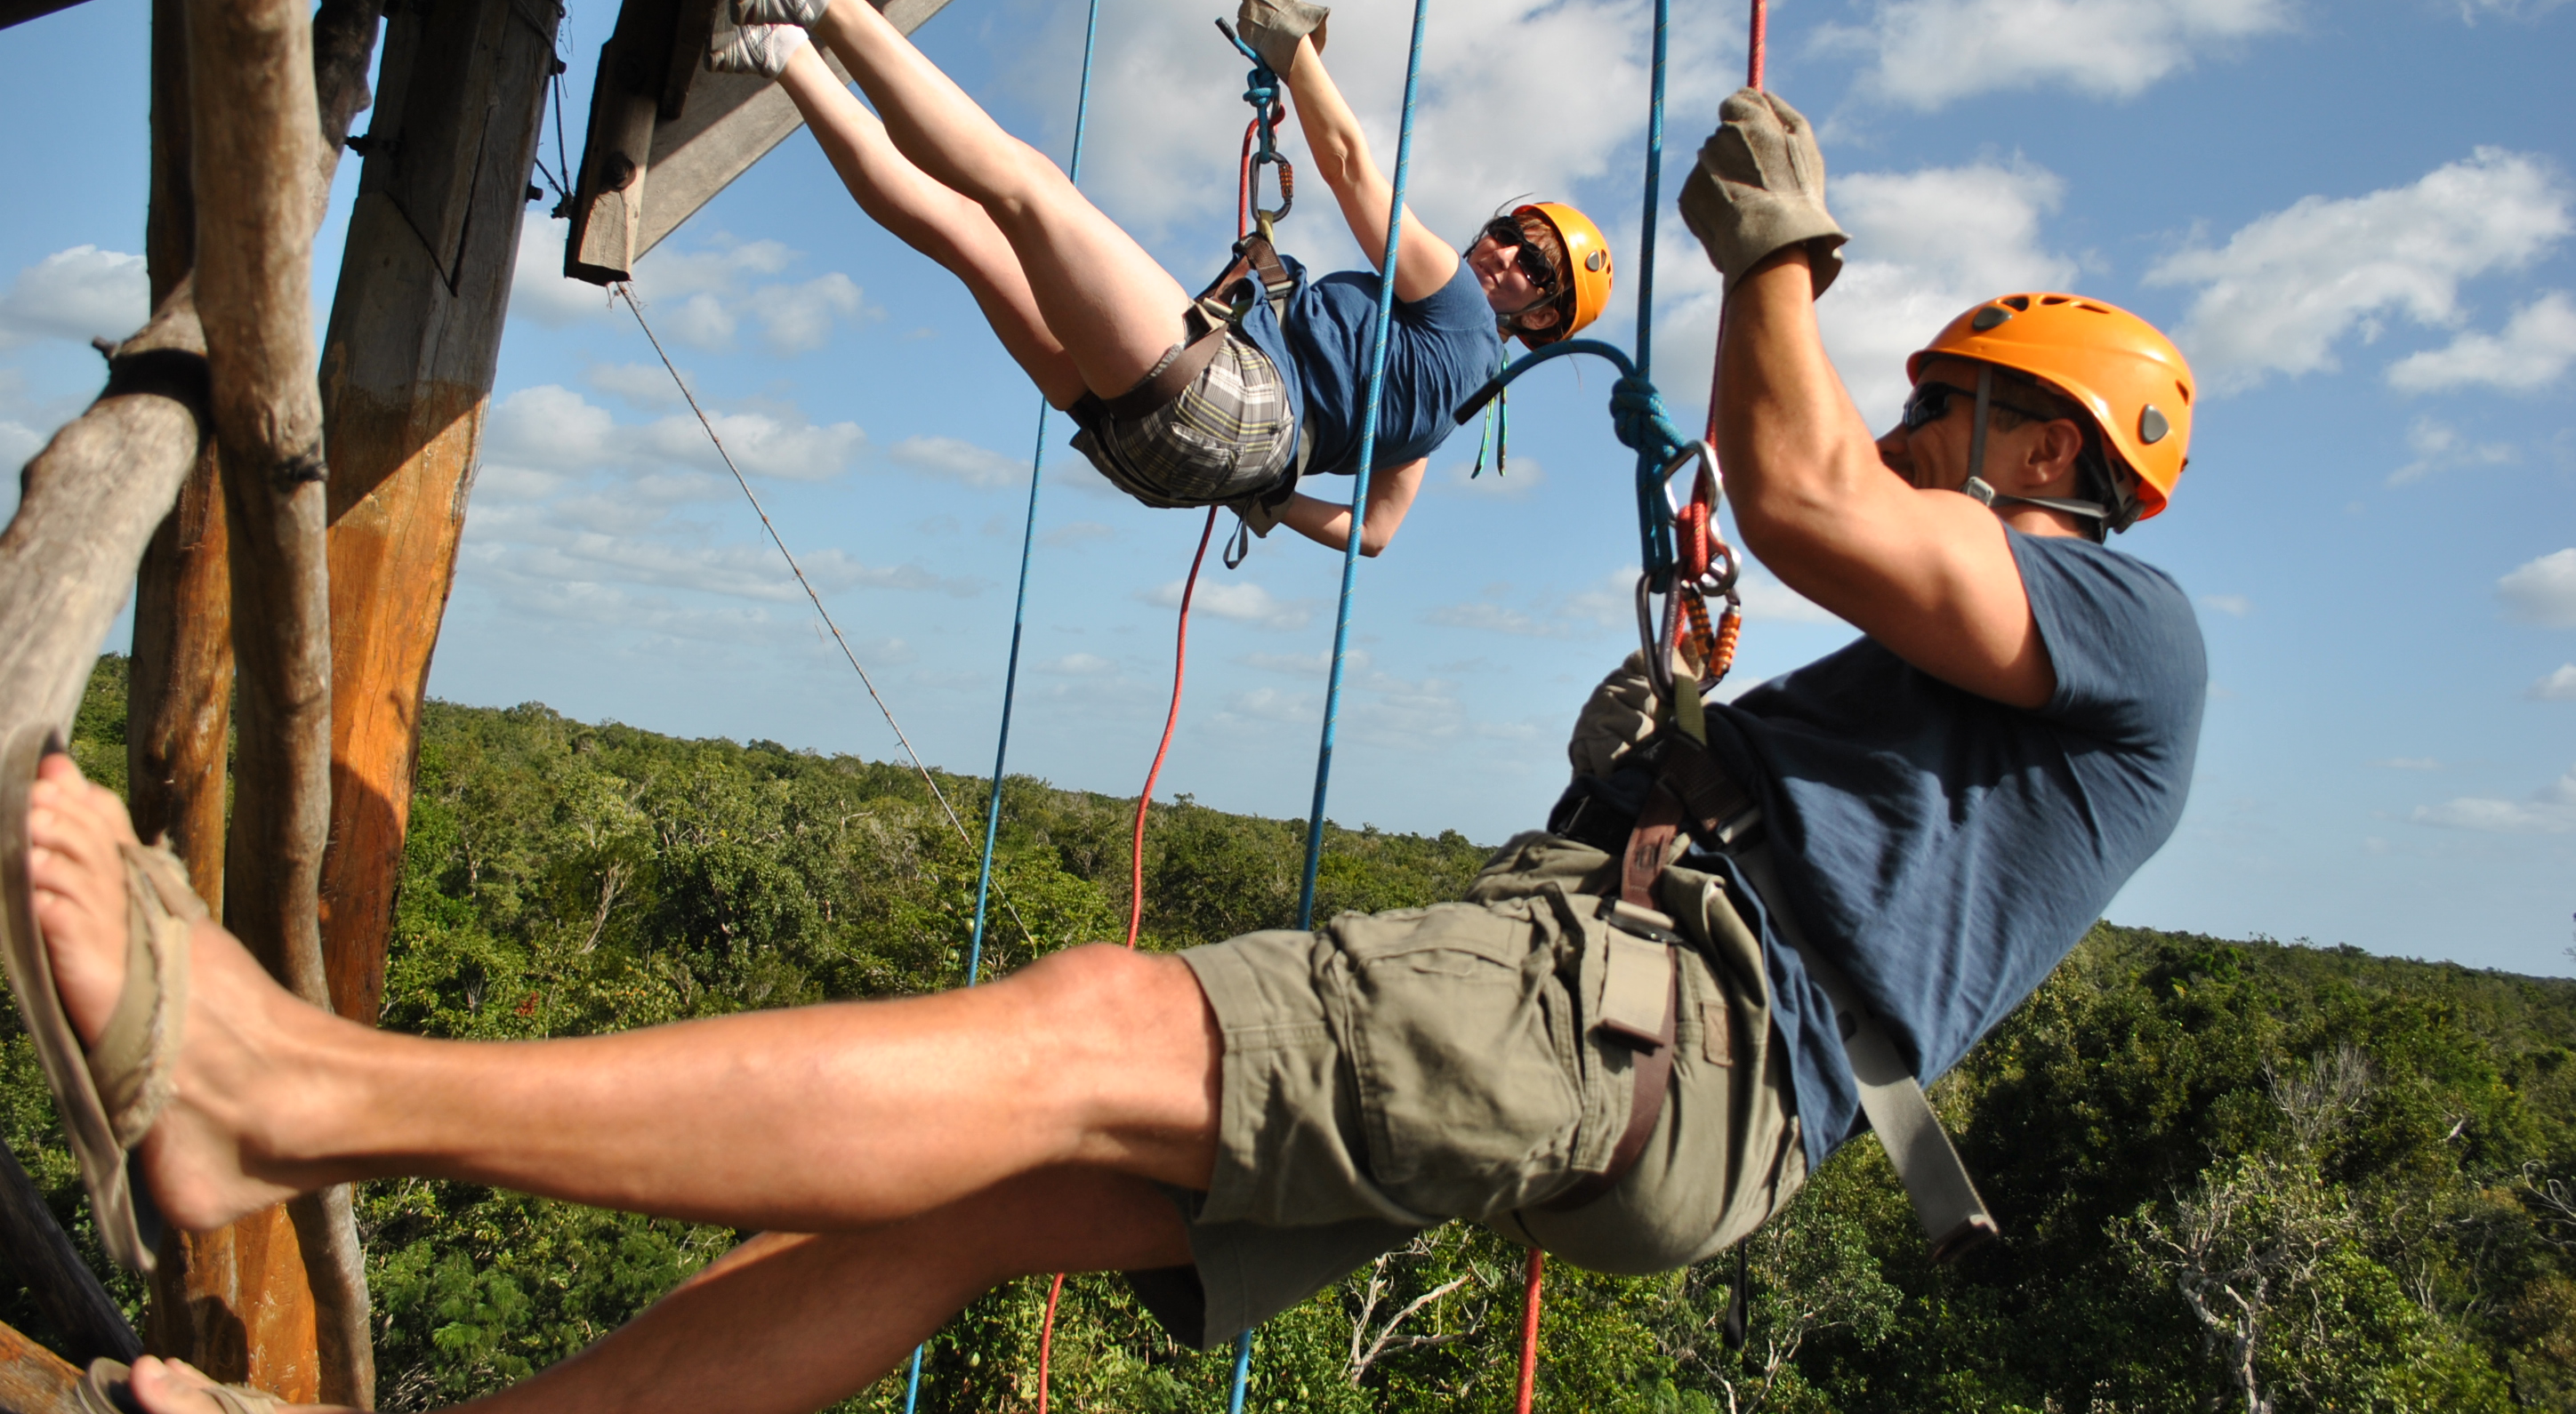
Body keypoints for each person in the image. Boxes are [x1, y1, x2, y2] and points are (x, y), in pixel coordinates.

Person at [2, 88, 2204, 1414]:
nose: (1911, 429)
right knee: (960, 1202)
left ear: (2055, 448)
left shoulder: (2124, 625)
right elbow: (1689, 415)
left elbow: (1798, 478)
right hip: (1648, 1045)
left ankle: (289, 1097)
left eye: (1951, 404)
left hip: (1646, 1020)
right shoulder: (1993, 691)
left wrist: (1784, 253)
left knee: (1071, 1029)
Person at [708, 0, 1613, 555]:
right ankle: (778, 49)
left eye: (1538, 271)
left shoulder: (1456, 311)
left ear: (1537, 322)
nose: (1508, 259)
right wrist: (1261, 497)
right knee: (970, 237)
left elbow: (1347, 165)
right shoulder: (1448, 408)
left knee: (1029, 191)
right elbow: (1374, 535)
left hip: (1222, 408)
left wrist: (1292, 53)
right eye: (1513, 233)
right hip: (1172, 459)